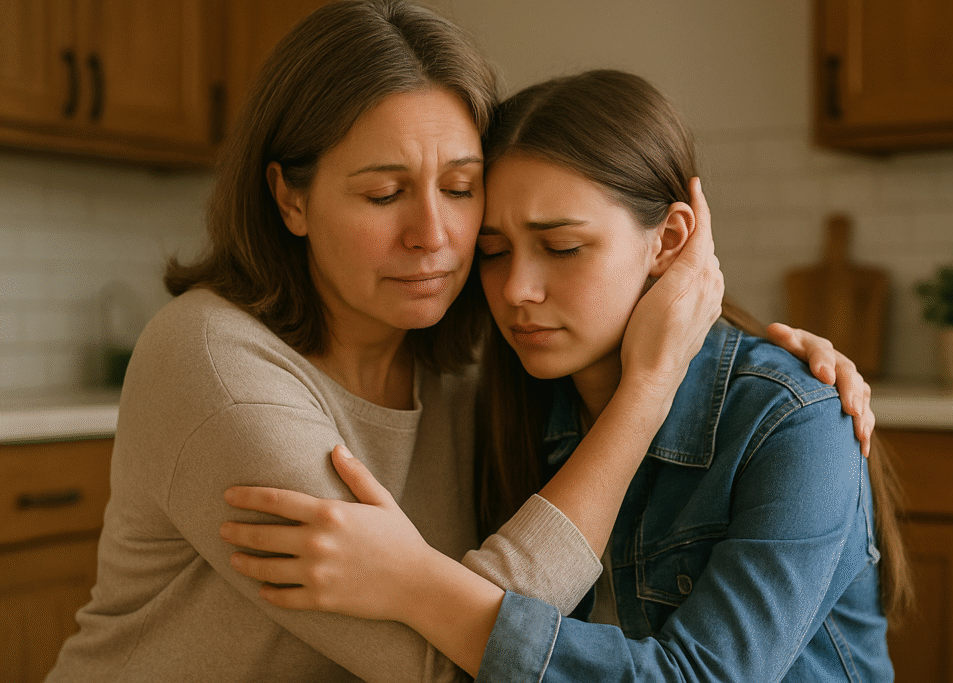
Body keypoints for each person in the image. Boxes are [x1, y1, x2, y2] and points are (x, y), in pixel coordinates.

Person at [46, 1, 874, 681]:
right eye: (383, 193)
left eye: (460, 188)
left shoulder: (477, 360)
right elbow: (446, 666)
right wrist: (648, 391)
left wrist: (786, 371)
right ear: (290, 200)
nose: (435, 237)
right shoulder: (215, 361)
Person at [219, 68, 910, 682]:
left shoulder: (790, 420)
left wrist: (415, 582)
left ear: (667, 240)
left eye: (562, 246)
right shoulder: (505, 396)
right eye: (492, 251)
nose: (517, 287)